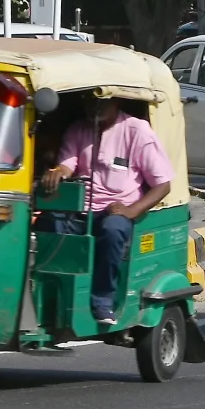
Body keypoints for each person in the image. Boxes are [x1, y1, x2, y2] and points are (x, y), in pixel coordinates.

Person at [38, 98, 174, 328]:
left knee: (112, 231)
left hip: (115, 212)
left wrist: (132, 211)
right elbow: (67, 164)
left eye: (102, 103)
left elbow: (163, 184)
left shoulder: (136, 130)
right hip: (80, 210)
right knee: (47, 224)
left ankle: (102, 300)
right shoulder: (78, 129)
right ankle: (50, 296)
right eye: (91, 103)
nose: (95, 107)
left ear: (117, 101)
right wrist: (58, 172)